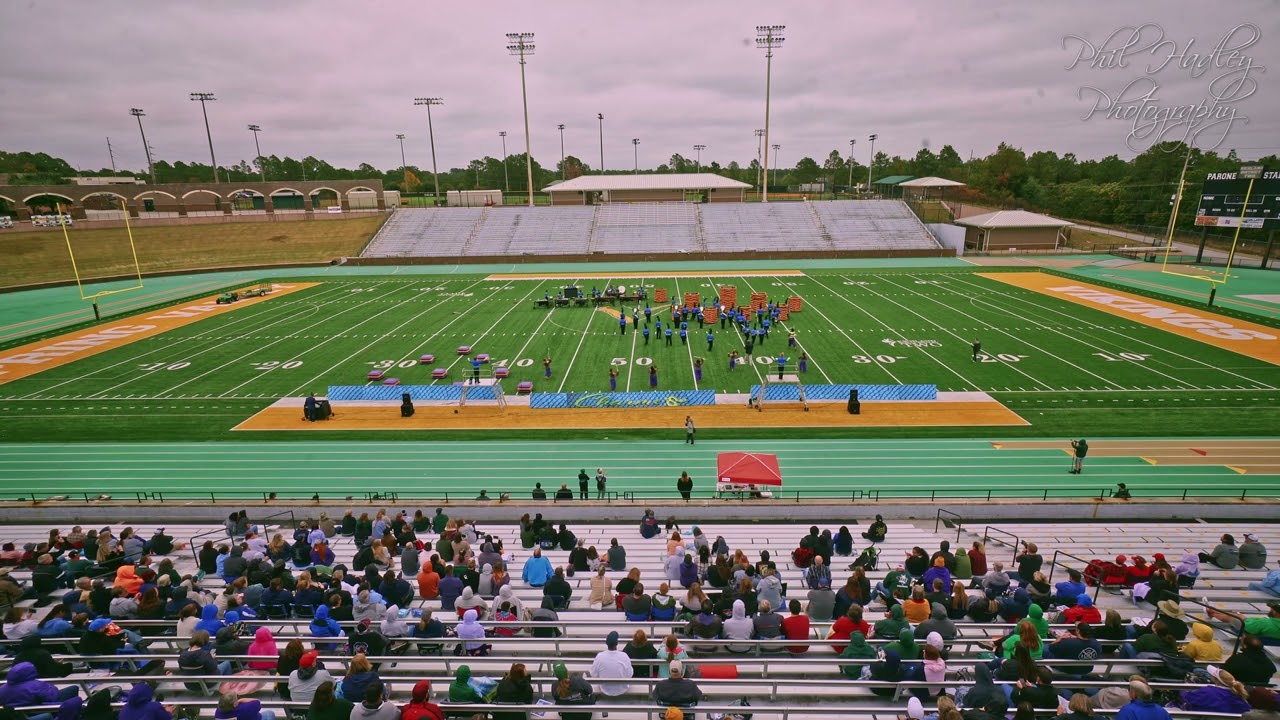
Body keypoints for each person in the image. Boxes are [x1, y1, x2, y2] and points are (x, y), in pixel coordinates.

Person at [591, 630, 633, 696]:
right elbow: (630, 674)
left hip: (605, 689)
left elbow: (593, 674)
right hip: (622, 689)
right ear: (617, 643)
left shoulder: (599, 656)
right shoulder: (624, 656)